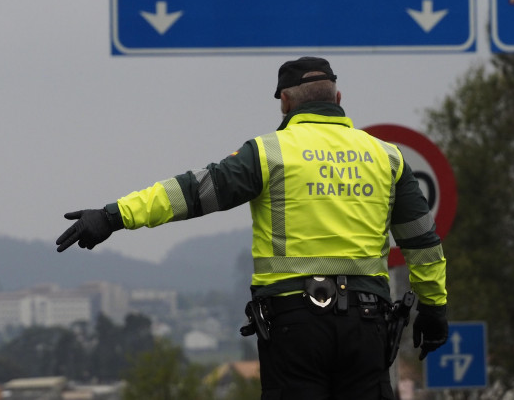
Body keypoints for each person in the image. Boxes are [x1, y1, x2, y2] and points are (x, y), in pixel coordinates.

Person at [56, 57, 449, 399]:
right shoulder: (386, 157)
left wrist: (112, 215)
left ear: (285, 102)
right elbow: (423, 244)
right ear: (338, 99)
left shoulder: (268, 153)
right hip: (367, 326)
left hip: (295, 325)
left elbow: (191, 193)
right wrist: (434, 310)